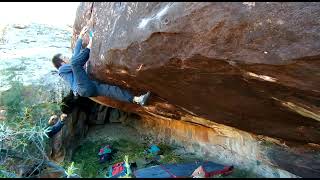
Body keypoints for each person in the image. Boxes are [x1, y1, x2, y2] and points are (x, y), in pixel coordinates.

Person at [51, 25, 150, 106]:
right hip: (82, 87)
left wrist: (80, 37)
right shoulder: (61, 70)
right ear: (61, 62)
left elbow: (75, 57)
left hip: (89, 87)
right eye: (64, 57)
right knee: (75, 63)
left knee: (112, 90)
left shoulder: (71, 65)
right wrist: (90, 45)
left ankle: (137, 99)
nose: (67, 57)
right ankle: (89, 47)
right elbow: (75, 62)